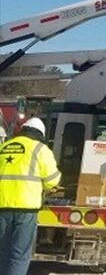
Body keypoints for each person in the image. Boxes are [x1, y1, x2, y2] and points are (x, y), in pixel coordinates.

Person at [0, 117, 61, 275]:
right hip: (26, 209)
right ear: (40, 134)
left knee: (2, 253)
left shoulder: (5, 146)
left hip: (2, 206)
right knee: (19, 254)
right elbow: (52, 180)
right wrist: (48, 187)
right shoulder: (40, 149)